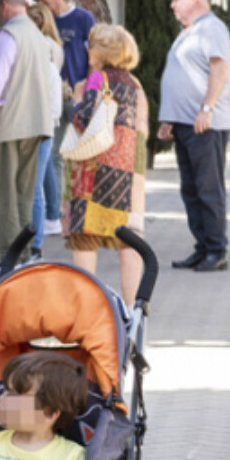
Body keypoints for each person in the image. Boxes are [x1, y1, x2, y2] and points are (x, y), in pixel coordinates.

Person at [62, 24, 149, 305]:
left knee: (85, 237)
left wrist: (77, 97)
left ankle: (84, 307)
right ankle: (133, 307)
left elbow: (82, 120)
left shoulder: (97, 79)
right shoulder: (136, 85)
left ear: (102, 51)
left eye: (91, 45)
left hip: (95, 169)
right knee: (130, 239)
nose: (87, 50)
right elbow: (142, 129)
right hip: (130, 171)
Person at [0, 0, 58, 259]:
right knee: (24, 193)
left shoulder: (8, 36)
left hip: (8, 127)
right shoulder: (37, 37)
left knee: (4, 194)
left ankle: (9, 254)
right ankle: (26, 252)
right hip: (36, 125)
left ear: (5, 6)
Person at [158, 0, 230, 272]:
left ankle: (217, 250)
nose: (172, 5)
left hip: (205, 124)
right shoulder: (188, 32)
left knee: (208, 188)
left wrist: (207, 108)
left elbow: (219, 67)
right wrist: (169, 118)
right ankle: (202, 248)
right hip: (185, 123)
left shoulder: (211, 28)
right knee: (191, 189)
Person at [32, 0, 97, 238]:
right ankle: (57, 212)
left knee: (76, 155)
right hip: (55, 97)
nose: (39, 1)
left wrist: (89, 92)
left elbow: (93, 56)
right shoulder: (45, 22)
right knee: (56, 156)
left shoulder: (82, 18)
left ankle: (68, 213)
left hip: (74, 96)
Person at [26, 2, 66, 257]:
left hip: (41, 128)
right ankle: (46, 224)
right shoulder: (54, 52)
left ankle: (37, 242)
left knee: (36, 184)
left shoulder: (45, 60)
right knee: (43, 175)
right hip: (46, 125)